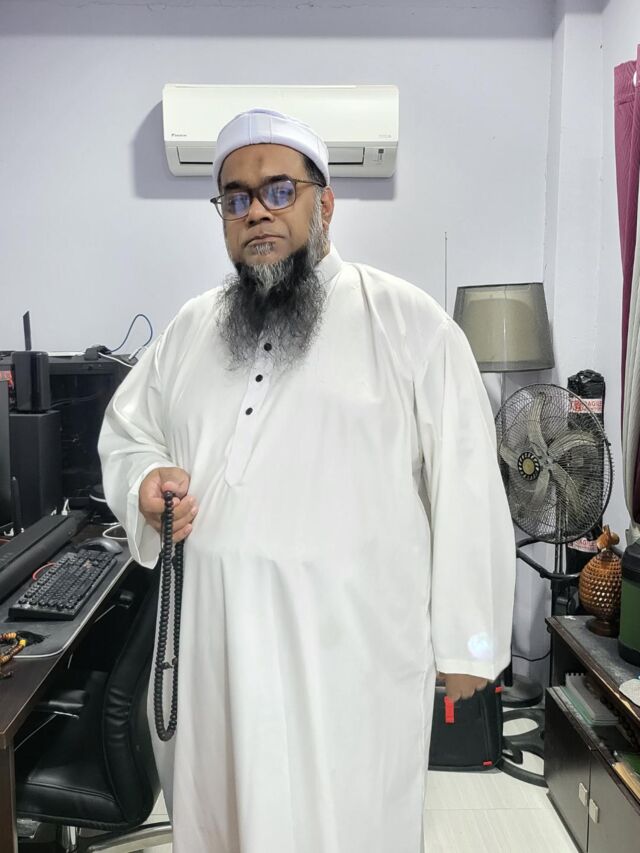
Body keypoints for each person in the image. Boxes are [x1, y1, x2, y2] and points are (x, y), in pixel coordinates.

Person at [98, 108, 515, 853]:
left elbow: (467, 484)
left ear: (326, 203)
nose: (256, 210)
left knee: (343, 821)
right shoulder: (191, 328)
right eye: (235, 197)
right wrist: (144, 483)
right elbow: (130, 431)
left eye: (279, 189)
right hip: (216, 653)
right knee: (224, 816)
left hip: (349, 662)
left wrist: (469, 647)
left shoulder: (406, 323)